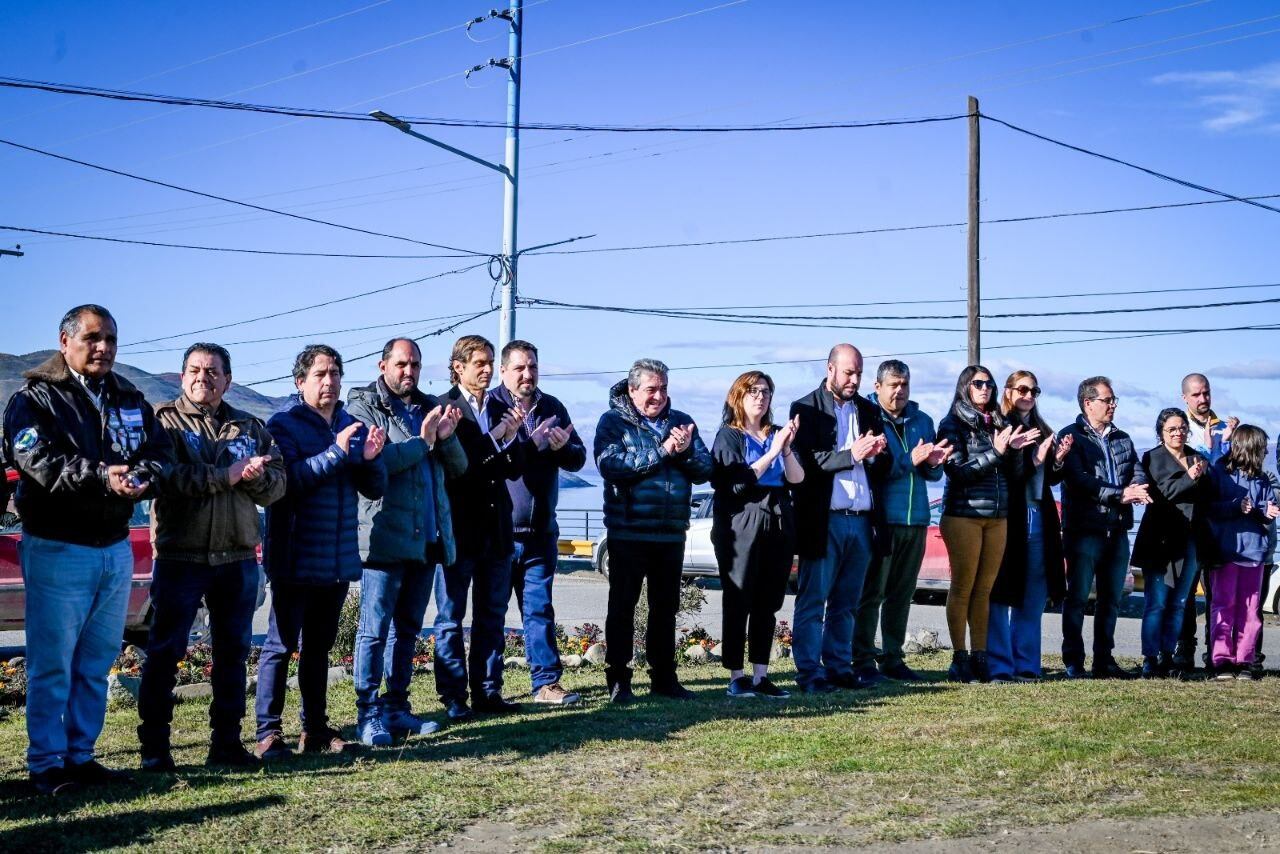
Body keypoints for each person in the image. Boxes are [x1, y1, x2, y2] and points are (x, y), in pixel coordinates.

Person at [2, 304, 170, 794]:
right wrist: (102, 476)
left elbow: (159, 453)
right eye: (93, 338)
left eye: (111, 339)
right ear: (65, 341)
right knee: (52, 664)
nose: (103, 348)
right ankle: (47, 764)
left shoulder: (130, 397)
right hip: (58, 546)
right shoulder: (34, 400)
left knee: (96, 662)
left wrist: (144, 477)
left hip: (115, 547)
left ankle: (81, 756)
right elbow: (36, 460)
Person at [139, 343, 286, 771]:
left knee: (233, 654)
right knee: (165, 652)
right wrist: (226, 476)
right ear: (183, 377)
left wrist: (254, 480)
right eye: (195, 370)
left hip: (237, 557)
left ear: (228, 380)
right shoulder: (161, 423)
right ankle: (155, 749)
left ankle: (226, 743)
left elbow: (277, 485)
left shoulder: (250, 426)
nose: (203, 377)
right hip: (181, 556)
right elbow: (164, 478)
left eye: (213, 371)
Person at [255, 345, 387, 759]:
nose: (329, 382)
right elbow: (288, 483)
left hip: (335, 559)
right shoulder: (283, 425)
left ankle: (314, 729)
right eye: (319, 375)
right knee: (280, 646)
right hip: (295, 555)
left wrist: (367, 460)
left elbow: (375, 487)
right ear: (300, 382)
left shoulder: (352, 423)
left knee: (319, 649)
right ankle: (269, 733)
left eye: (335, 374)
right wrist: (335, 453)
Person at [345, 339, 467, 746]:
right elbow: (377, 461)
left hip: (426, 539)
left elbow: (459, 467)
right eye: (401, 364)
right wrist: (425, 441)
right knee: (374, 630)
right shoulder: (362, 407)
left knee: (408, 629)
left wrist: (446, 437)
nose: (409, 372)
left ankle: (398, 708)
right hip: (383, 538)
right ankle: (369, 714)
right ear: (383, 366)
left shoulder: (429, 407)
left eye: (414, 364)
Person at [595, 358, 712, 703]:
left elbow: (705, 469)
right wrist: (663, 451)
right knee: (622, 609)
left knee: (665, 609)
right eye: (651, 389)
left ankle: (664, 678)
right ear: (632, 391)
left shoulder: (682, 422)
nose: (658, 395)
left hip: (671, 533)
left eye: (663, 388)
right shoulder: (612, 422)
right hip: (628, 531)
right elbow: (610, 464)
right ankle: (619, 681)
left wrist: (686, 450)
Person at [491, 340, 588, 706]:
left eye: (532, 366)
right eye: (519, 368)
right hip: (499, 530)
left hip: (541, 532)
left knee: (539, 610)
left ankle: (546, 683)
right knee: (493, 612)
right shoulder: (493, 406)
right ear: (504, 371)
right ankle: (489, 687)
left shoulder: (552, 407)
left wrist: (563, 447)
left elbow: (577, 458)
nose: (527, 374)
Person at [789, 344, 890, 693]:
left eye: (859, 373)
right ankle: (808, 672)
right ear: (830, 368)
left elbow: (884, 465)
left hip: (861, 519)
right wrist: (852, 454)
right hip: (824, 519)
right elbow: (807, 462)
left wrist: (876, 455)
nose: (855, 379)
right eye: (849, 372)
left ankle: (838, 667)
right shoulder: (805, 407)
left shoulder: (867, 409)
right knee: (813, 600)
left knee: (847, 603)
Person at [436, 335, 525, 719]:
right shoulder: (443, 408)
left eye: (490, 363)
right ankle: (454, 698)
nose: (488, 370)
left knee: (492, 616)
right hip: (459, 530)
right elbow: (462, 470)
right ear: (458, 366)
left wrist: (515, 439)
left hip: (497, 530)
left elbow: (512, 469)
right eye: (480, 363)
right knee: (450, 618)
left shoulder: (501, 406)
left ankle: (488, 692)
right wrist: (498, 439)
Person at [936, 366, 1036, 683]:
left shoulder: (1001, 423)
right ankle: (959, 658)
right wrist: (996, 452)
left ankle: (981, 657)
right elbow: (959, 473)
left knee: (985, 591)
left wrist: (1015, 453)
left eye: (989, 384)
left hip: (998, 517)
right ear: (965, 387)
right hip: (963, 515)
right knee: (963, 588)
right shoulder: (951, 424)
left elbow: (1015, 476)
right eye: (978, 384)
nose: (985, 389)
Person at [853, 360, 950, 683]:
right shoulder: (867, 417)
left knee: (901, 593)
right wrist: (913, 459)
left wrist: (934, 464)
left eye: (905, 384)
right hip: (883, 519)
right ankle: (863, 659)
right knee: (873, 593)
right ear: (878, 386)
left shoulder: (923, 420)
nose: (900, 391)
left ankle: (893, 658)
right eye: (893, 385)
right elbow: (878, 472)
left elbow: (929, 472)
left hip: (917, 519)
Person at [710, 371, 804, 699]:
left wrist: (787, 449)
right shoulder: (728, 436)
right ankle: (736, 676)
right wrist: (772, 452)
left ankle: (761, 675)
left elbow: (797, 478)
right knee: (739, 599)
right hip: (741, 522)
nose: (760, 397)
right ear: (738, 396)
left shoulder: (776, 434)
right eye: (753, 391)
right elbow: (737, 483)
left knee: (768, 601)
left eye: (765, 391)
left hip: (778, 519)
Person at [1058, 376, 1150, 679]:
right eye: (1107, 400)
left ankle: (1104, 660)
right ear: (1088, 402)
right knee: (1078, 597)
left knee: (1111, 599)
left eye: (1114, 400)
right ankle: (1074, 661)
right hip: (1084, 530)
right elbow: (1080, 481)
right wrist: (1121, 494)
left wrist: (1136, 487)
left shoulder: (1123, 438)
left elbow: (1136, 470)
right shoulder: (1070, 436)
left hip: (1117, 529)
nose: (1112, 405)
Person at [986, 371, 1070, 683]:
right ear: (1008, 391)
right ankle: (1000, 665)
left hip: (1039, 515)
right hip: (1009, 517)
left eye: (1035, 390)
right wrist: (1031, 459)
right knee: (1002, 592)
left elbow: (1049, 479)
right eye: (1023, 389)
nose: (1029, 395)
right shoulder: (999, 425)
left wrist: (1057, 460)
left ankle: (1026, 664)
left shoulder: (1041, 428)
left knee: (1034, 595)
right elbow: (1001, 475)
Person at [1130, 409, 1210, 680]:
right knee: (1157, 602)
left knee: (1179, 602)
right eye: (1172, 429)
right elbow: (1162, 494)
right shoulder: (1152, 458)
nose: (1178, 433)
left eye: (1182, 428)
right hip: (1160, 540)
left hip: (1190, 539)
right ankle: (1150, 657)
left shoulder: (1197, 457)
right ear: (1161, 432)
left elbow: (1206, 497)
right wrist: (1189, 477)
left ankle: (1168, 654)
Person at [1174, 373, 1239, 674]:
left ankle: (1218, 650)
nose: (1203, 400)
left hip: (1219, 525)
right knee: (1185, 591)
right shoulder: (1178, 430)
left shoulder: (1227, 429)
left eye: (1207, 393)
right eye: (1197, 395)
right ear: (1185, 397)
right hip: (1188, 522)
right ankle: (1184, 648)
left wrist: (1223, 447)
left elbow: (1232, 475)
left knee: (1218, 593)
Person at [1203, 425, 1278, 679]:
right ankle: (1221, 659)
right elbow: (1209, 508)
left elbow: (1264, 512)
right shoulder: (1219, 474)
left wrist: (1265, 513)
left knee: (1250, 609)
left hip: (1255, 552)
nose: (1264, 452)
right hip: (1226, 551)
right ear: (1247, 448)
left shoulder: (1263, 479)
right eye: (1261, 448)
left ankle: (1244, 660)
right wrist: (1235, 506)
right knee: (1224, 605)